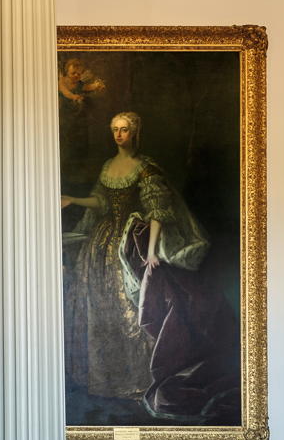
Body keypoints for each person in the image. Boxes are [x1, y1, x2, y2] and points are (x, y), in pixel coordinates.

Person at [61, 111, 238, 423]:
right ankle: (106, 379)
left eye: (124, 130)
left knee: (133, 308)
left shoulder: (146, 168)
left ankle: (137, 381)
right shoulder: (108, 166)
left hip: (130, 243)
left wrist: (152, 252)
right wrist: (73, 199)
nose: (118, 135)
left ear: (135, 132)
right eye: (114, 130)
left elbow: (157, 211)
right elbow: (101, 203)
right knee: (101, 308)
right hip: (100, 245)